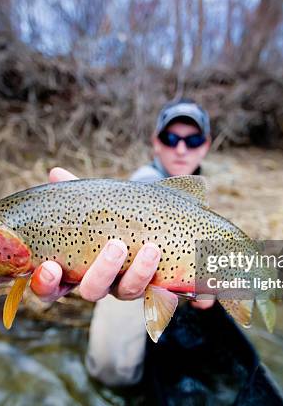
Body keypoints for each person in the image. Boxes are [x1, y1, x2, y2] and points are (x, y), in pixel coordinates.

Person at [29, 99, 214, 386]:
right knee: (111, 370)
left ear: (205, 145)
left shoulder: (199, 197)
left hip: (172, 278)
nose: (180, 148)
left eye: (193, 140)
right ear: (156, 142)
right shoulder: (145, 180)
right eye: (171, 138)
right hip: (126, 276)